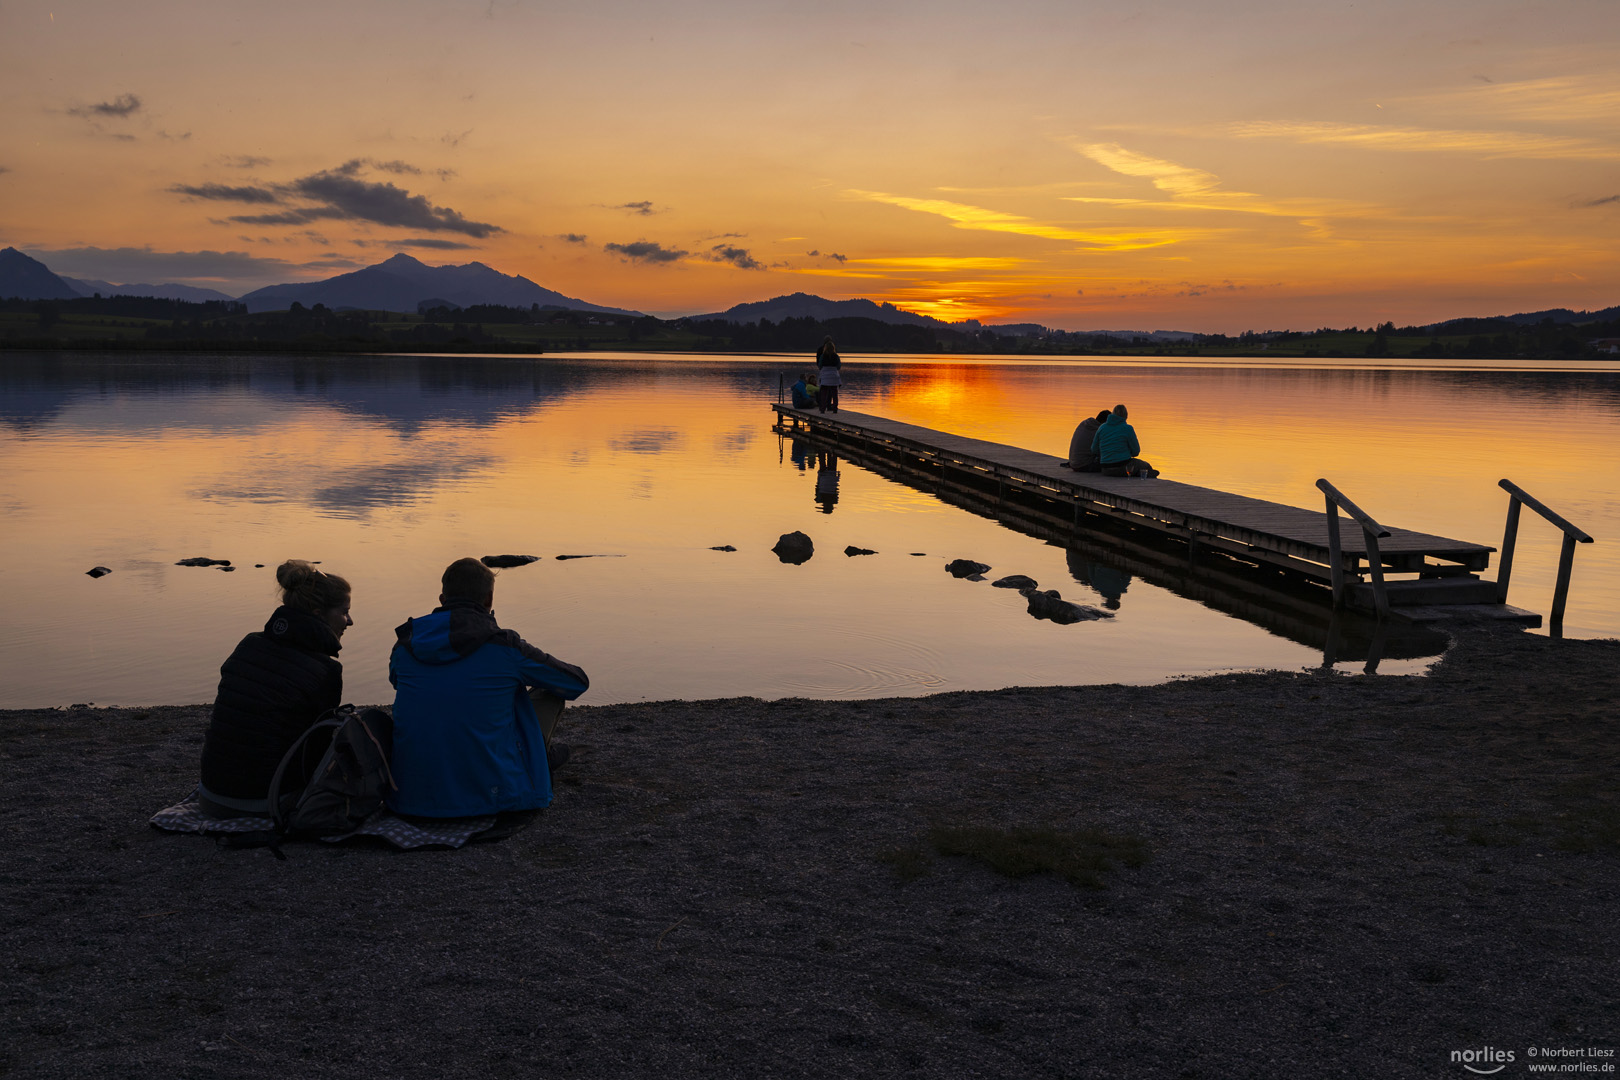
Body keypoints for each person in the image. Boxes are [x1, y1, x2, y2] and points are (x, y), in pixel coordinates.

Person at [387, 557, 589, 818]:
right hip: (491, 798)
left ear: (441, 598)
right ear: (488, 599)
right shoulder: (504, 646)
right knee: (546, 690)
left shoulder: (405, 645)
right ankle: (538, 756)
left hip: (409, 799)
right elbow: (576, 682)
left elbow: (396, 682)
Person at [197, 559, 353, 817]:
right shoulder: (326, 670)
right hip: (265, 802)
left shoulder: (248, 644)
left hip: (211, 795)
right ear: (318, 615)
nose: (349, 621)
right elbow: (316, 750)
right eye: (344, 612)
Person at [1091, 404, 1159, 478]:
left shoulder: (1102, 428)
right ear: (1126, 416)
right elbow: (1136, 452)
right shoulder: (1128, 428)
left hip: (1105, 469)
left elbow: (1094, 450)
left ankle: (1136, 473)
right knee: (1146, 465)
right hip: (1123, 467)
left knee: (1135, 466)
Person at [816, 336, 842, 413]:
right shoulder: (836, 356)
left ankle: (822, 408)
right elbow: (839, 366)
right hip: (834, 375)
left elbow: (820, 365)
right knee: (834, 393)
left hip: (825, 375)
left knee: (824, 393)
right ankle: (835, 408)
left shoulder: (823, 356)